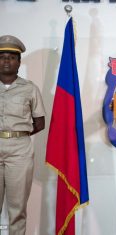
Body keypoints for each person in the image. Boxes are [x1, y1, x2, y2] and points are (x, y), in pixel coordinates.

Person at [0, 35, 45, 235]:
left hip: (19, 151)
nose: (6, 61)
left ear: (19, 62)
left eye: (11, 57)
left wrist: (16, 133)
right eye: (2, 57)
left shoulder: (30, 88)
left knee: (17, 209)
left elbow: (39, 122)